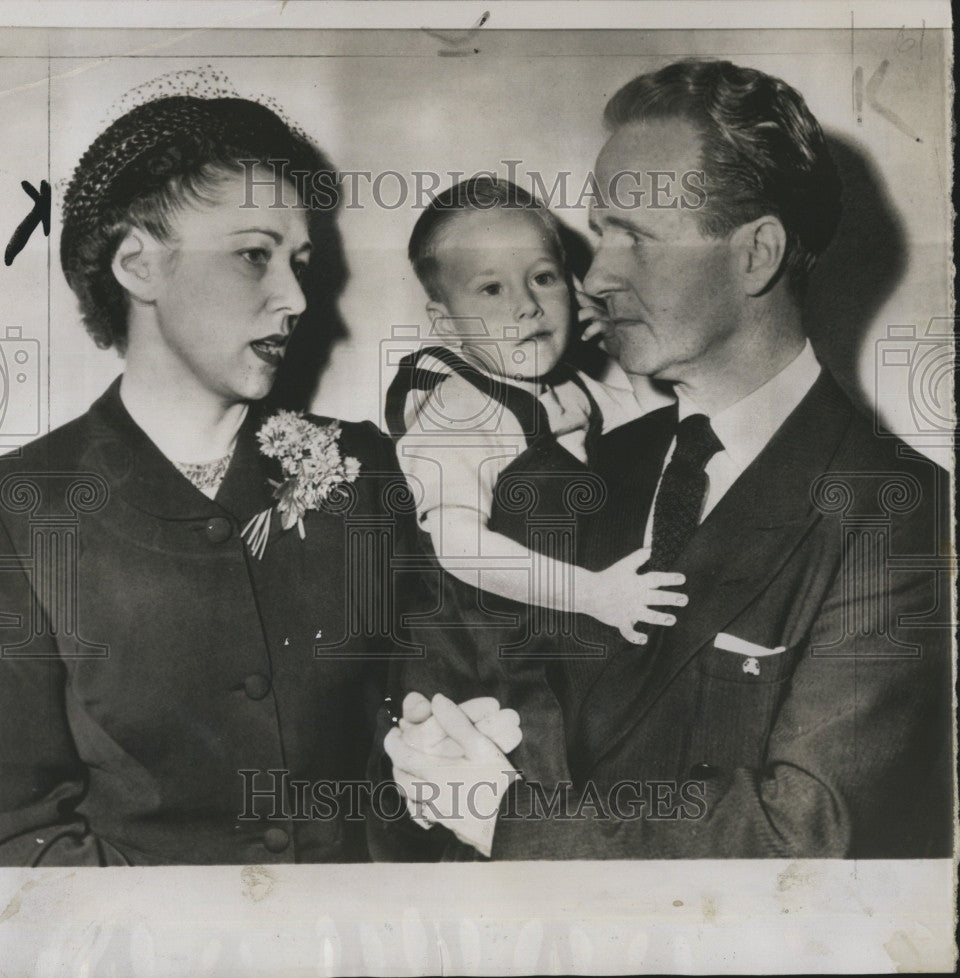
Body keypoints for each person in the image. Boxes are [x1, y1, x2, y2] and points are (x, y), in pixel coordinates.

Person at [384, 59, 954, 859]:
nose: (596, 273)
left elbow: (807, 835)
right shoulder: (575, 464)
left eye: (635, 237)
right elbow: (478, 656)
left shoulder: (902, 512)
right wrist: (437, 734)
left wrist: (505, 819)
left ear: (756, 254)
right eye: (600, 230)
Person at [0, 91, 412, 865]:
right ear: (139, 265)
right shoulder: (14, 507)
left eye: (301, 264)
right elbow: (20, 836)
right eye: (255, 254)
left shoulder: (366, 469)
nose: (296, 299)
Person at [382, 177, 684, 794]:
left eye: (543, 278)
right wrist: (593, 594)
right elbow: (459, 545)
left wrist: (622, 348)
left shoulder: (581, 390)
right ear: (445, 321)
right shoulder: (458, 409)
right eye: (491, 289)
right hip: (485, 666)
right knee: (527, 809)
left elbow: (649, 454)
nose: (526, 305)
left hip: (563, 648)